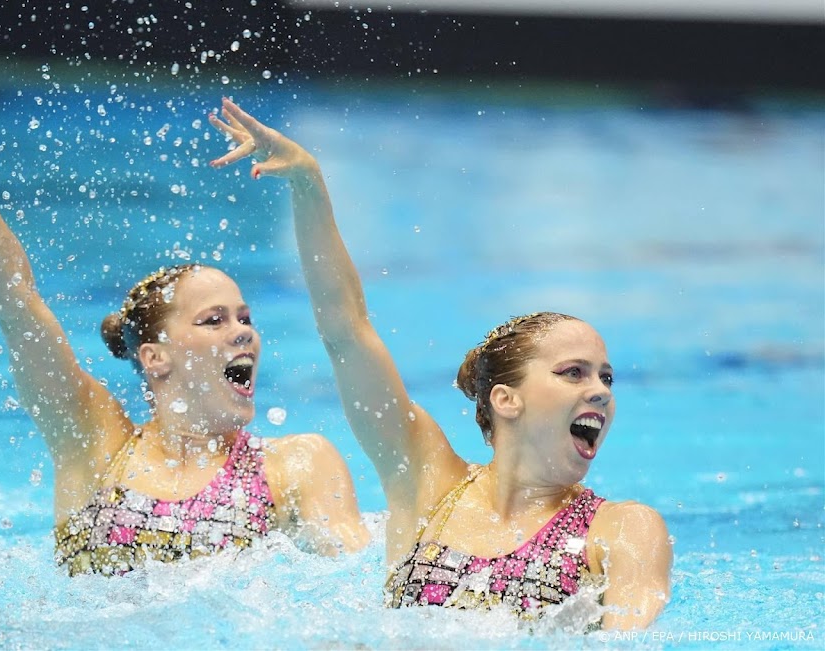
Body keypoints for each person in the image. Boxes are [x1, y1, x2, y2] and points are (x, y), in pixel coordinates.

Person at [0, 97, 369, 576]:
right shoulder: (94, 442)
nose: (244, 334)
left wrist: (306, 179)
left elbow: (357, 595)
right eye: (214, 320)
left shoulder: (296, 466)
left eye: (245, 318)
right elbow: (16, 304)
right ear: (155, 357)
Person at [209, 98, 672, 629]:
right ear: (506, 399)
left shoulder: (622, 531)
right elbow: (346, 333)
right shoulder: (425, 481)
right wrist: (309, 184)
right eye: (574, 372)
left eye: (605, 377)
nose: (600, 391)